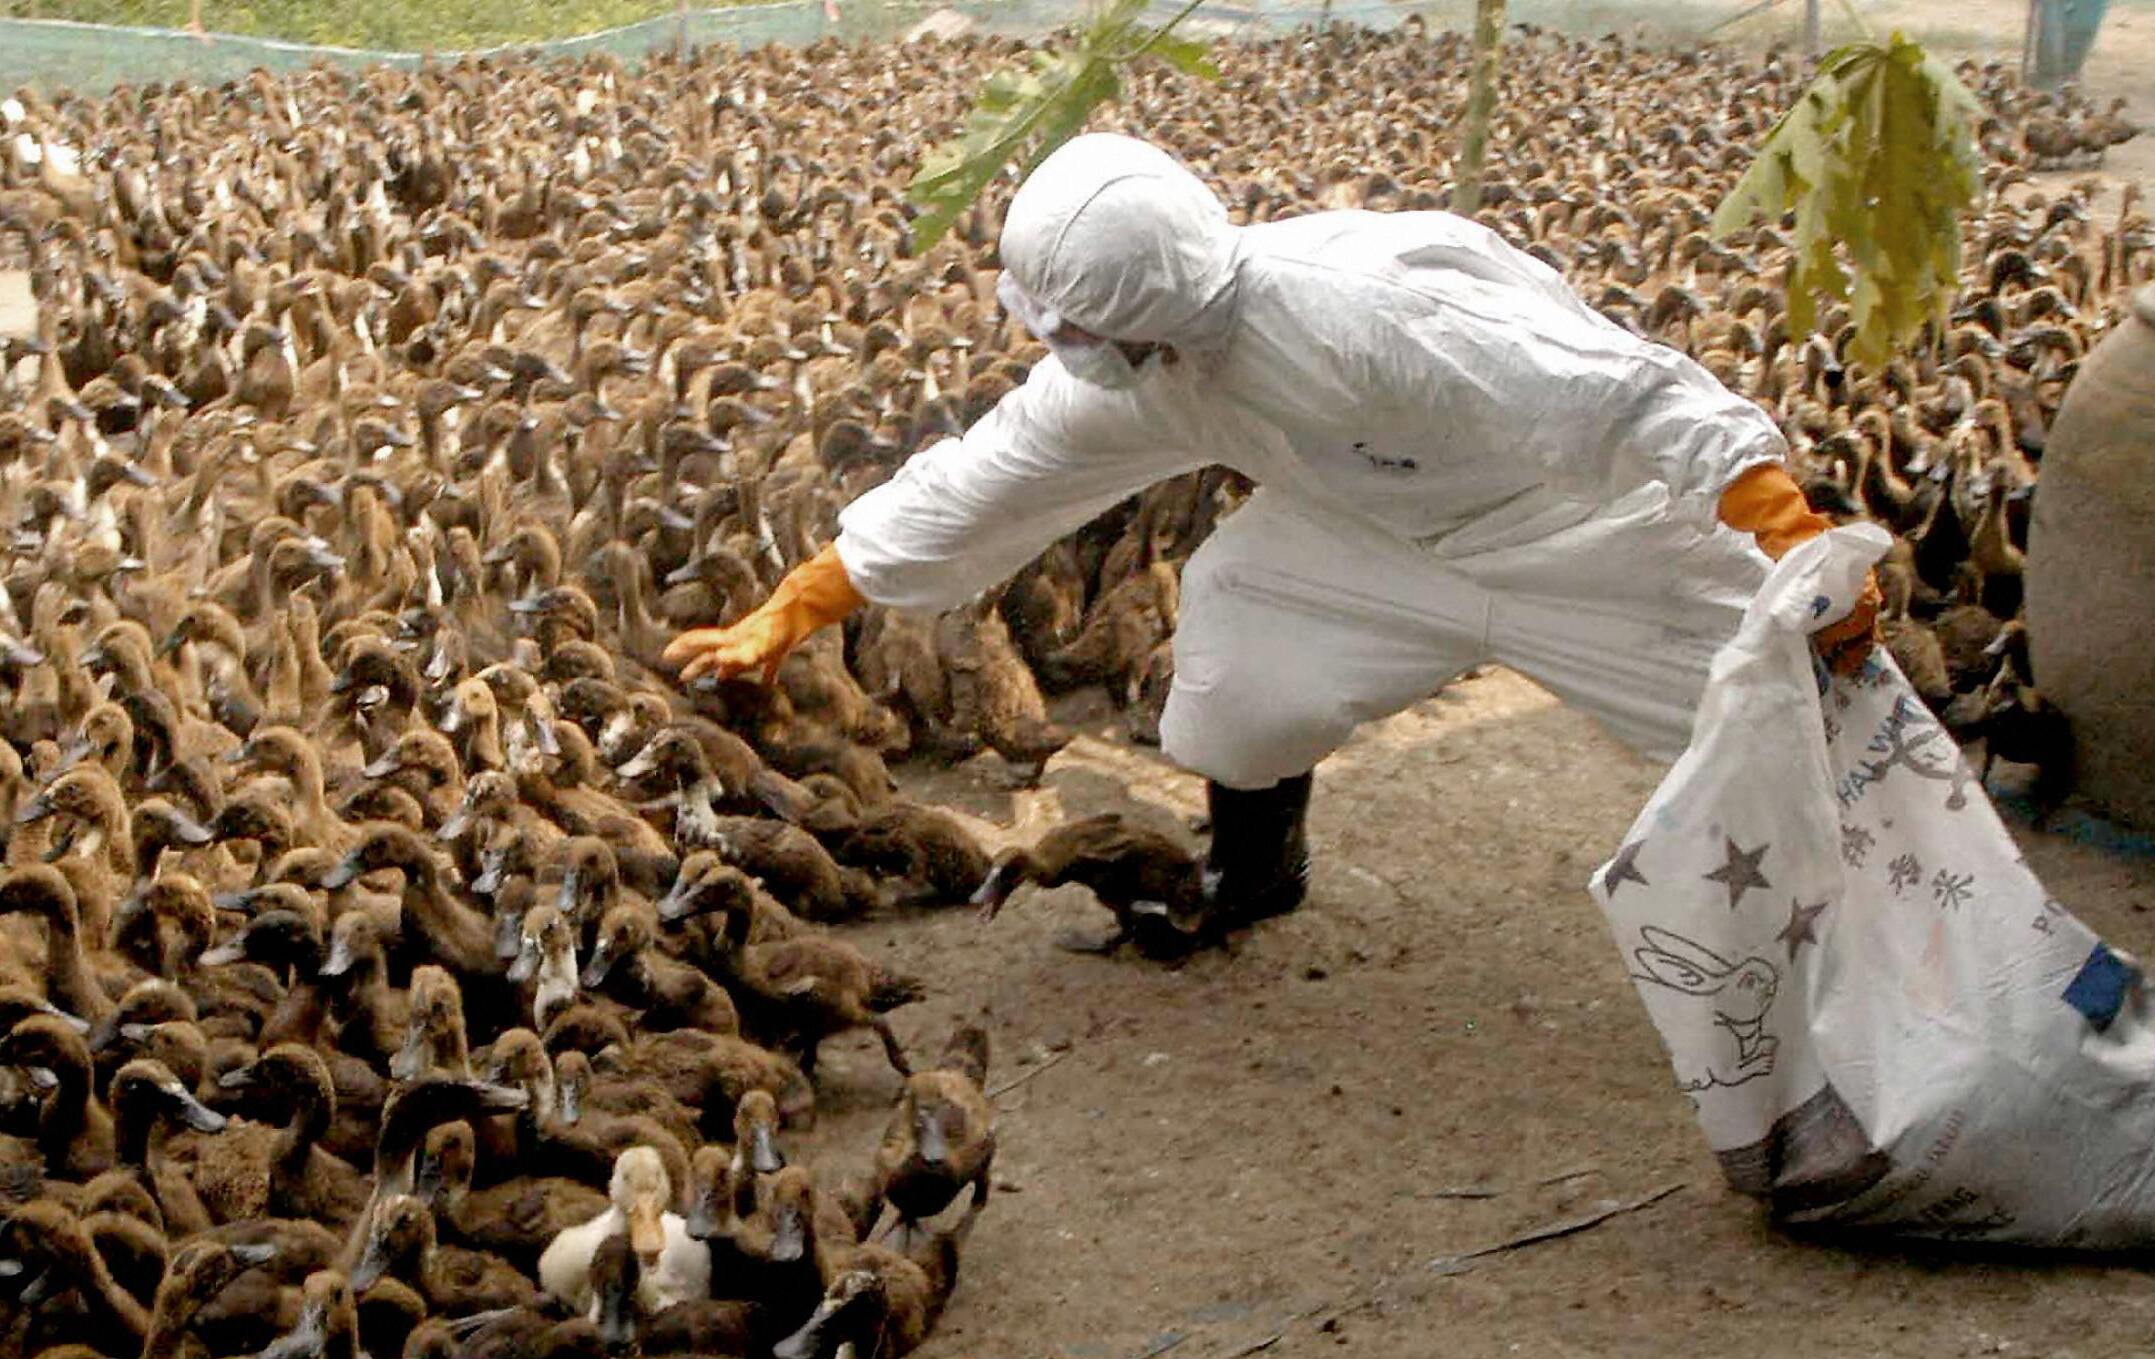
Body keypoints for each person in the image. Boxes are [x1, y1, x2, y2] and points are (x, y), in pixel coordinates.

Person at [663, 133, 1878, 941]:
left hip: (1583, 533)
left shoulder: (1372, 310)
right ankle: (1253, 871)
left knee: (1810, 719)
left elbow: (1633, 393)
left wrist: (1789, 536)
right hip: (1364, 537)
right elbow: (980, 482)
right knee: (1233, 679)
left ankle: (1901, 926)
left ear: (1134, 320)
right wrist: (791, 607)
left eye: (1068, 328)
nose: (1054, 347)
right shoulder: (1143, 374)